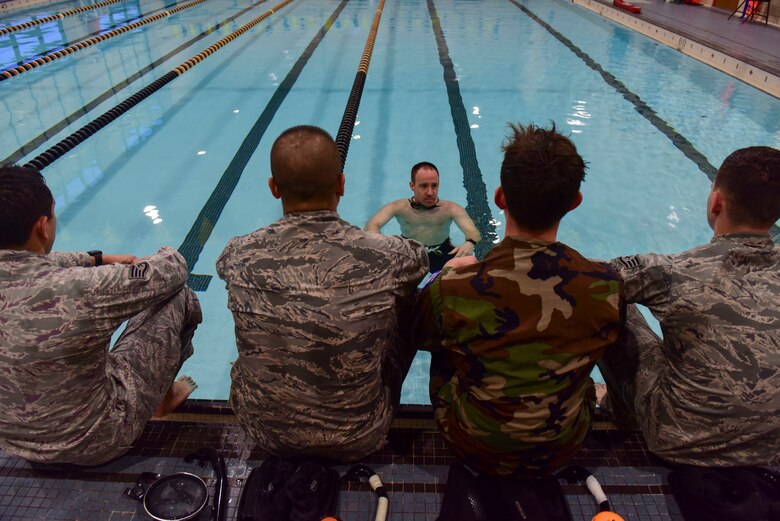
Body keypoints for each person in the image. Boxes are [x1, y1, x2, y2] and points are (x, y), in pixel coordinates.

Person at [413, 123, 624, 478]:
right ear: (575, 203)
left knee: (442, 328)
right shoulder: (606, 285)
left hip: (470, 445)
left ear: (499, 198)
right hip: (564, 447)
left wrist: (449, 273)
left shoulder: (455, 287)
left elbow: (417, 336)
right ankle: (617, 411)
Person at [217, 125, 429, 461]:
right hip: (361, 433)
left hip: (264, 432)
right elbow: (421, 261)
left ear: (274, 188)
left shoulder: (238, 253)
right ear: (341, 184)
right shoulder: (387, 256)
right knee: (416, 299)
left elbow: (222, 267)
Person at [0, 165, 201, 466]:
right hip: (96, 439)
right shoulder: (80, 289)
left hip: (14, 444)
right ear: (43, 225)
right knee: (177, 296)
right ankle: (163, 397)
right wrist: (132, 265)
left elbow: (37, 262)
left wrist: (96, 259)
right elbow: (174, 268)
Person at [598, 146, 780, 467]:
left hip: (679, 439)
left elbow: (578, 277)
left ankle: (621, 418)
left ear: (716, 202)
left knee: (609, 303)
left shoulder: (672, 271)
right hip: (770, 448)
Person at [365, 162, 481, 272]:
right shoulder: (399, 207)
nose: (430, 192)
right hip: (409, 252)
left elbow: (473, 232)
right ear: (412, 185)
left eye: (434, 186)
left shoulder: (451, 209)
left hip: (441, 251)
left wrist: (470, 243)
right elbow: (371, 225)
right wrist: (383, 248)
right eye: (423, 186)